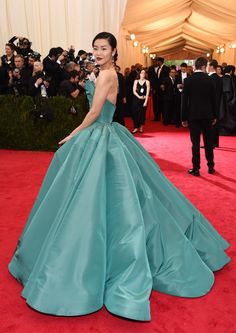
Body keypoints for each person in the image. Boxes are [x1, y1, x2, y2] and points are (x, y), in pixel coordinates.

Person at [9, 32, 230, 322]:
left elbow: (96, 112)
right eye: (95, 48)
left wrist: (72, 134)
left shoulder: (107, 75)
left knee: (107, 199)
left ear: (114, 51)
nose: (98, 52)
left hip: (100, 134)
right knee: (110, 197)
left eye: (104, 48)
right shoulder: (103, 73)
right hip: (106, 136)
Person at [182, 57, 217, 176]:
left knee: (195, 143)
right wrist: (215, 115)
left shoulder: (188, 80)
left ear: (195, 66)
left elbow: (184, 102)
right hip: (207, 115)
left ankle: (196, 168)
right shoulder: (210, 80)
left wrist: (183, 118)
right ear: (203, 66)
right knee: (208, 142)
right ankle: (211, 166)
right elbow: (214, 100)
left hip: (193, 116)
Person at [131, 69, 150, 133]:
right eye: (142, 73)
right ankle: (136, 127)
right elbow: (134, 91)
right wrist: (139, 97)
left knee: (142, 114)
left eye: (144, 73)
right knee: (134, 113)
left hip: (143, 100)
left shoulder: (147, 82)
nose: (143, 74)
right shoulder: (136, 81)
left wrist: (145, 101)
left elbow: (147, 93)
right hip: (136, 99)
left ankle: (141, 127)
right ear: (139, 74)